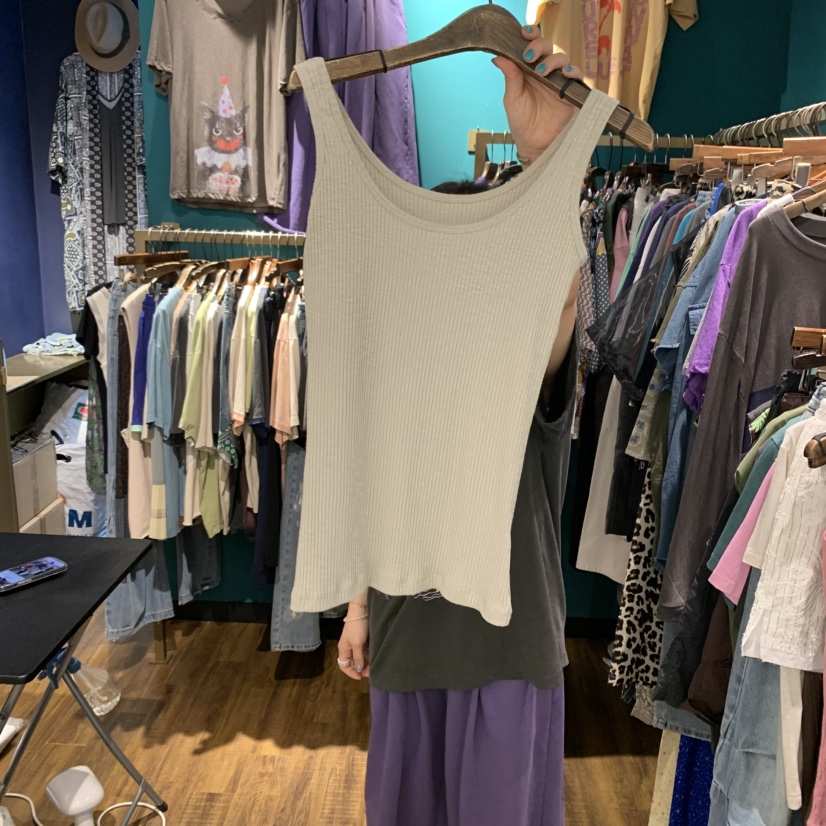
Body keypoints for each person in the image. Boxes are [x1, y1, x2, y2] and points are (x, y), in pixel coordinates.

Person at [337, 26, 586, 826]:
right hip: (408, 640)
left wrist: (549, 160)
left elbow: (561, 291)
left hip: (506, 650)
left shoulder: (523, 362)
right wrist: (358, 609)